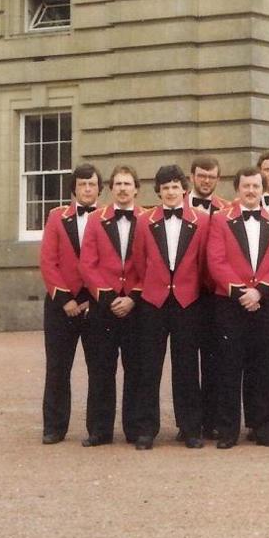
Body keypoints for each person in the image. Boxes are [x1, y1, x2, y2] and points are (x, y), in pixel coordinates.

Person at [207, 167, 269, 449]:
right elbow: (216, 260)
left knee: (264, 368)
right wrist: (240, 292)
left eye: (256, 186)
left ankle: (263, 428)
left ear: (263, 189)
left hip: (266, 303)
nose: (251, 191)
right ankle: (228, 431)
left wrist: (260, 291)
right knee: (229, 368)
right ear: (237, 188)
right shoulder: (220, 220)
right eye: (246, 186)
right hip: (231, 303)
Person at [131, 165, 212, 449]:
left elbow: (203, 264)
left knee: (187, 368)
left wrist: (188, 288)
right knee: (148, 368)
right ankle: (146, 430)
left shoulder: (201, 221)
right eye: (165, 188)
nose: (170, 192)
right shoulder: (144, 221)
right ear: (159, 191)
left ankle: (190, 428)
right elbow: (140, 262)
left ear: (184, 190)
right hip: (153, 302)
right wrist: (156, 285)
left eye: (175, 187)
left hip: (187, 302)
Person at [79, 166, 146, 448]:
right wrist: (107, 298)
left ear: (136, 188)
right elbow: (87, 263)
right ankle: (99, 430)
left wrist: (132, 297)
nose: (122, 188)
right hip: (102, 308)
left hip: (136, 306)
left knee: (137, 370)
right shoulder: (96, 220)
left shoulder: (148, 219)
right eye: (117, 183)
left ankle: (134, 428)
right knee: (101, 370)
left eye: (127, 184)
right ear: (110, 187)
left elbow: (153, 264)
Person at [37, 163, 100, 444]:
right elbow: (48, 261)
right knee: (58, 368)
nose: (88, 189)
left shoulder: (107, 218)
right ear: (74, 188)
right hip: (60, 306)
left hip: (95, 304)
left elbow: (108, 264)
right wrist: (65, 299)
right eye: (83, 184)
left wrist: (87, 299)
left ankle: (97, 428)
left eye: (93, 184)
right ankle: (54, 427)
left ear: (100, 188)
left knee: (99, 369)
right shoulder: (55, 217)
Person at [188, 156, 227, 439]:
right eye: (202, 175)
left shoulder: (226, 210)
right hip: (185, 295)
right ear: (192, 176)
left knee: (215, 360)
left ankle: (212, 420)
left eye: (211, 177)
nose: (206, 181)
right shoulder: (176, 206)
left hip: (216, 295)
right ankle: (188, 423)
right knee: (186, 362)